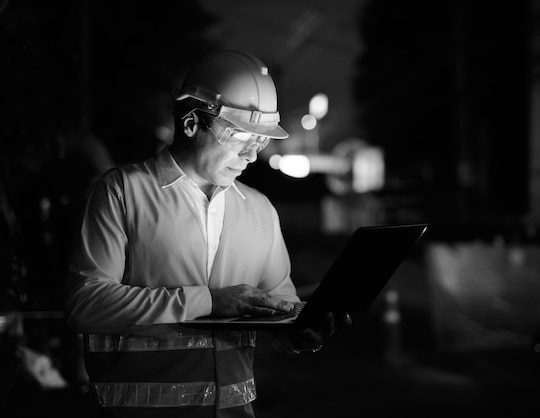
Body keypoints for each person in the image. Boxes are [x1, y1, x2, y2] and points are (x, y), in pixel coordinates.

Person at [64, 49, 350, 418]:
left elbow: (279, 316)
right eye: (241, 136)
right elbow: (86, 306)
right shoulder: (122, 192)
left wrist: (301, 333)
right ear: (191, 123)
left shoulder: (260, 209)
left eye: (261, 141)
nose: (251, 154)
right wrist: (209, 301)